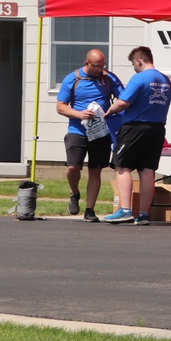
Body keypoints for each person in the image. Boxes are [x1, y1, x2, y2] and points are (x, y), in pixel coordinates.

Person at [103, 46, 171, 225]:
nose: (134, 67)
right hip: (157, 128)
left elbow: (123, 102)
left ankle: (125, 209)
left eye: (133, 64)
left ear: (139, 61)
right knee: (147, 170)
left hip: (135, 127)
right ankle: (144, 214)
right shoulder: (165, 80)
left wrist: (109, 111)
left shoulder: (139, 78)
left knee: (122, 166)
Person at [56, 49, 125, 222]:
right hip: (77, 130)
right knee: (73, 167)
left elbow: (124, 98)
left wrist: (111, 110)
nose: (101, 69)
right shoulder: (72, 79)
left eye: (103, 65)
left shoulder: (109, 78)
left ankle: (89, 210)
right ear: (87, 63)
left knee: (96, 170)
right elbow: (60, 106)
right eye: (97, 66)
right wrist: (80, 114)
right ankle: (74, 192)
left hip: (101, 132)